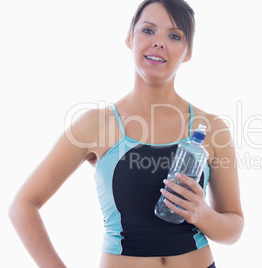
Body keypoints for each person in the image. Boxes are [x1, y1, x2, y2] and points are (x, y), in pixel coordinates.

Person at [8, 0, 244, 267]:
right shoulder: (96, 124)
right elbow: (23, 206)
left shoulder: (210, 128)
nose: (159, 42)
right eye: (148, 30)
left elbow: (234, 227)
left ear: (187, 51)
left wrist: (203, 214)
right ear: (129, 38)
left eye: (174, 35)